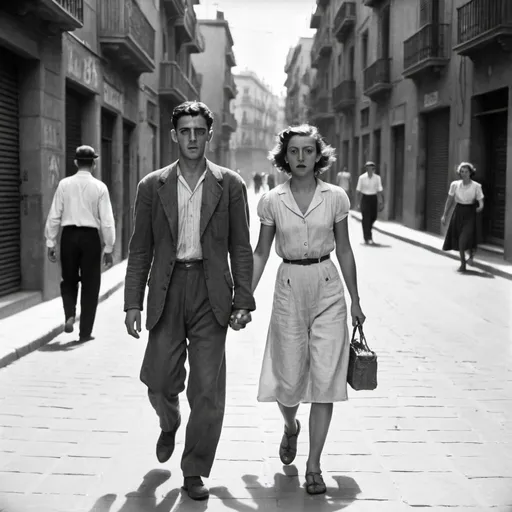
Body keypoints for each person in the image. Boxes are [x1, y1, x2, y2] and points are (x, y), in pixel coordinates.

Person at [123, 101, 255, 501]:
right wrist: (133, 302)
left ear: (210, 135)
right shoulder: (152, 186)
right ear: (174, 135)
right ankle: (169, 420)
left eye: (200, 131)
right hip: (166, 288)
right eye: (186, 131)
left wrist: (243, 300)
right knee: (159, 379)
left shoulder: (230, 184)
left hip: (211, 291)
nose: (193, 138)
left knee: (207, 390)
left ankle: (195, 469)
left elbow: (241, 247)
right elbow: (140, 248)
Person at [250, 124, 366, 495]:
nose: (301, 158)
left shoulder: (335, 198)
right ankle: (290, 426)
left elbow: (345, 249)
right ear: (285, 156)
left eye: (308, 151)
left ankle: (314, 464)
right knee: (288, 380)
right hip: (288, 287)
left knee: (326, 379)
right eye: (294, 151)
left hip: (328, 286)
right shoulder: (272, 200)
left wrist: (356, 299)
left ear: (319, 156)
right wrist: (243, 297)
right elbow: (260, 252)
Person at [44, 145, 115, 341]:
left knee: (69, 279)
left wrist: (51, 242)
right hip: (91, 237)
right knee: (91, 284)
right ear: (94, 164)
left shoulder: (64, 184)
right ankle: (85, 332)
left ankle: (69, 314)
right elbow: (107, 221)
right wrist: (108, 247)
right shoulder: (100, 187)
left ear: (75, 162)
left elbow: (54, 215)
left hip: (68, 236)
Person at [441, 162, 484, 272]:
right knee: (459, 238)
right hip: (458, 211)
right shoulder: (454, 184)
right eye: (462, 171)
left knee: (465, 238)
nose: (464, 174)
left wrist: (480, 206)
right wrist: (445, 215)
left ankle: (469, 257)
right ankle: (463, 264)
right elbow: (449, 200)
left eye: (466, 171)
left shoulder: (476, 186)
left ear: (470, 173)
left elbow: (480, 200)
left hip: (470, 212)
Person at [355, 161, 384, 244]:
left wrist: (382, 201)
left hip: (373, 198)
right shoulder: (362, 178)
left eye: (371, 169)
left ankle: (368, 233)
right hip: (365, 198)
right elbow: (358, 191)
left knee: (373, 217)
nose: (369, 170)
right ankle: (367, 237)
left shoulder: (377, 178)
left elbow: (380, 189)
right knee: (365, 218)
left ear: (373, 169)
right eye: (367, 168)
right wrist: (358, 203)